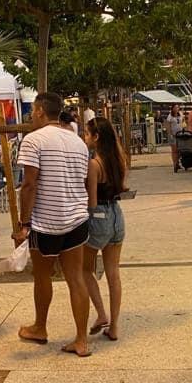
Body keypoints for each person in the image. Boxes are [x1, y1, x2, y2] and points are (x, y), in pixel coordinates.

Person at [15, 91, 91, 357]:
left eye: (32, 110)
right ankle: (81, 340)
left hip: (46, 221)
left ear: (39, 111)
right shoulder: (78, 142)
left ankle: (40, 327)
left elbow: (29, 184)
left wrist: (23, 223)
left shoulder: (33, 140)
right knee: (76, 278)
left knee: (42, 275)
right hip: (76, 218)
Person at [83, 118, 127, 342]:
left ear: (96, 137)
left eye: (87, 133)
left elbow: (91, 201)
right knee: (113, 273)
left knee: (84, 268)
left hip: (98, 215)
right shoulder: (119, 160)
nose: (85, 138)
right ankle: (115, 326)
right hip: (117, 215)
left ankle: (101, 314)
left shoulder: (94, 164)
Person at [165, 104, 184, 171]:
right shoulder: (170, 116)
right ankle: (175, 164)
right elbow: (168, 125)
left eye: (177, 107)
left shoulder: (180, 114)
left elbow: (183, 122)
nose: (177, 108)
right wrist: (170, 133)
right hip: (173, 135)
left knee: (180, 150)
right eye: (175, 107)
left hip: (180, 134)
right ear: (172, 108)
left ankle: (178, 162)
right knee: (174, 150)